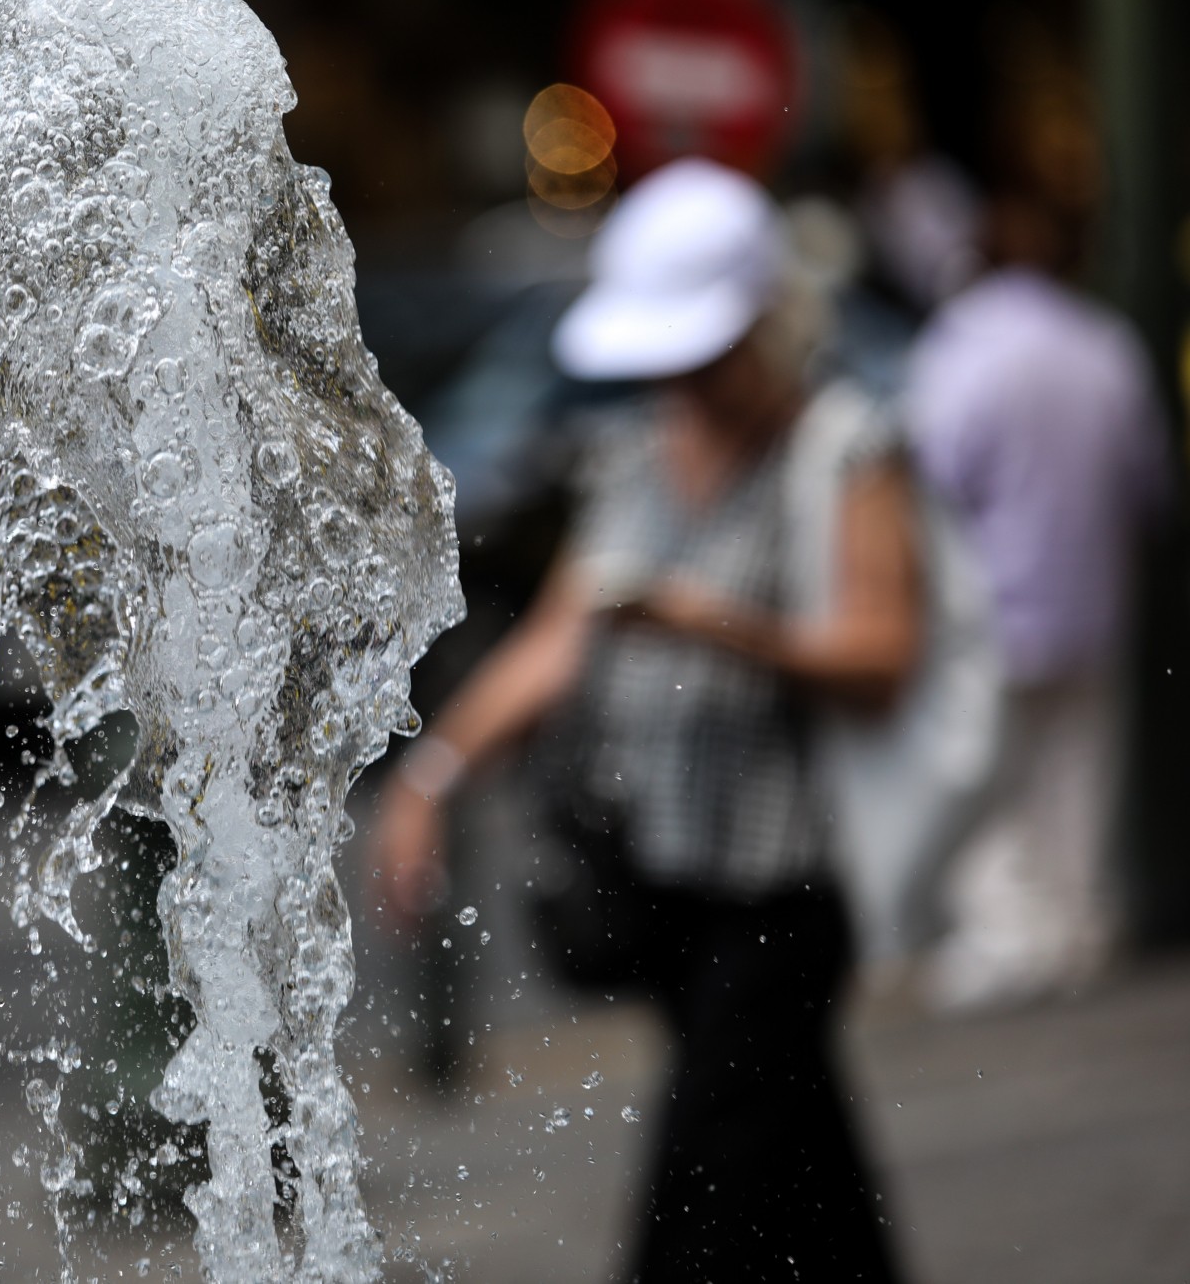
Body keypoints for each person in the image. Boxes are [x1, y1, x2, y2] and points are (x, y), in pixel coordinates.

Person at [370, 158, 912, 1283]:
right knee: (796, 1152)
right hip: (667, 871)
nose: (683, 380)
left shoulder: (841, 452)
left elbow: (880, 656)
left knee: (705, 1178)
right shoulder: (634, 459)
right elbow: (553, 644)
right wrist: (432, 779)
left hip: (788, 883)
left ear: (765, 323)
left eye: (702, 353)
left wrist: (709, 625)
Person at [905, 194, 1170, 1013]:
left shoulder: (960, 348)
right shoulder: (1104, 344)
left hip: (990, 604)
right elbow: (1148, 481)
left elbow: (931, 472)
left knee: (995, 778)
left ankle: (1014, 939)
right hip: (1091, 598)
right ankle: (1079, 927)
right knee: (1078, 772)